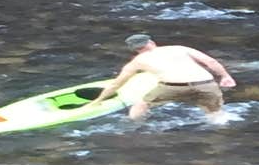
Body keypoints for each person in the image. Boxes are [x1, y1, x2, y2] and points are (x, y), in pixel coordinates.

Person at [91, 34, 236, 122]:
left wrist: (98, 101)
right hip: (206, 84)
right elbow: (210, 62)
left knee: (140, 105)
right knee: (214, 113)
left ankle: (135, 128)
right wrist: (225, 76)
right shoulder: (180, 48)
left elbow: (116, 85)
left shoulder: (137, 61)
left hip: (172, 87)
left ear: (134, 49)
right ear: (152, 43)